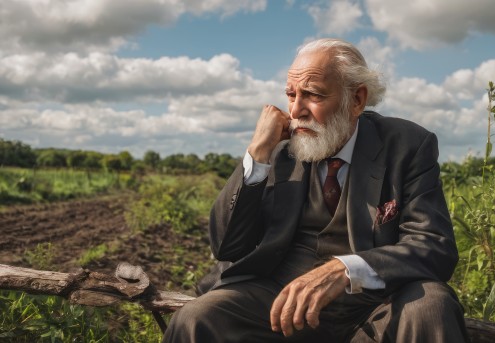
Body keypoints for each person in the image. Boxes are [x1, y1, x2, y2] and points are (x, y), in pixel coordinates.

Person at [163, 38, 469, 343]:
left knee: (431, 304)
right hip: (280, 305)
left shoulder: (407, 146)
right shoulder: (279, 150)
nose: (296, 110)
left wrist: (345, 270)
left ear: (357, 100)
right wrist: (257, 154)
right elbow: (226, 246)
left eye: (313, 95)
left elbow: (434, 246)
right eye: (291, 94)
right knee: (196, 319)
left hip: (376, 308)